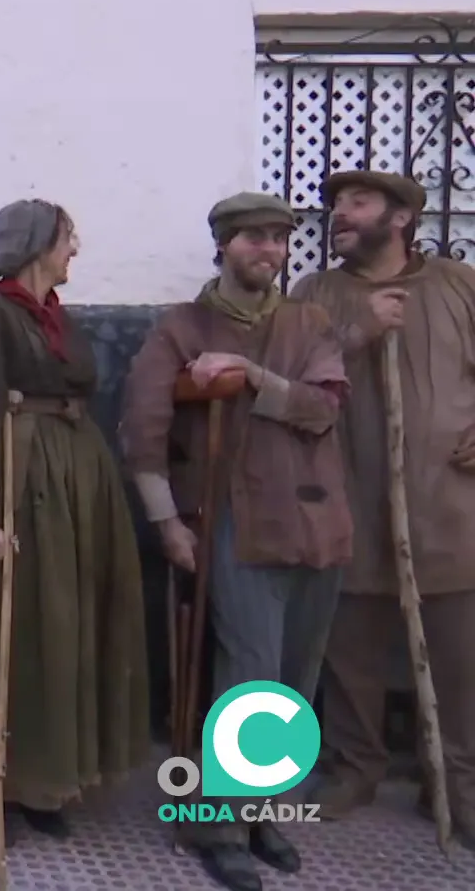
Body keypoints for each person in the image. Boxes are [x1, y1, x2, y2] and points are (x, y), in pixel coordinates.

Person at [120, 191, 352, 891]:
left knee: (295, 681)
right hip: (233, 520)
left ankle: (261, 813)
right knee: (251, 679)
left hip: (316, 522)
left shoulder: (309, 322)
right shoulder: (180, 328)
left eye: (279, 239)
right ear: (223, 245)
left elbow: (323, 407)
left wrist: (249, 375)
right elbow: (144, 430)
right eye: (254, 238)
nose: (269, 251)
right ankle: (219, 825)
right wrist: (167, 522)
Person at [0, 199, 149, 845]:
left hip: (73, 483)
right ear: (36, 243)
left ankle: (43, 776)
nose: (75, 248)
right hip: (17, 481)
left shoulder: (52, 315)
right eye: (67, 237)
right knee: (10, 627)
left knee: (63, 628)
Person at [291, 170, 475, 845]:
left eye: (357, 202)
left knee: (463, 659)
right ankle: (353, 767)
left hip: (450, 509)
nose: (339, 213)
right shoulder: (314, 295)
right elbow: (289, 376)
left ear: (399, 218)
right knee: (351, 650)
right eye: (336, 203)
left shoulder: (459, 285)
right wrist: (357, 331)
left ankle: (457, 782)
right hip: (348, 501)